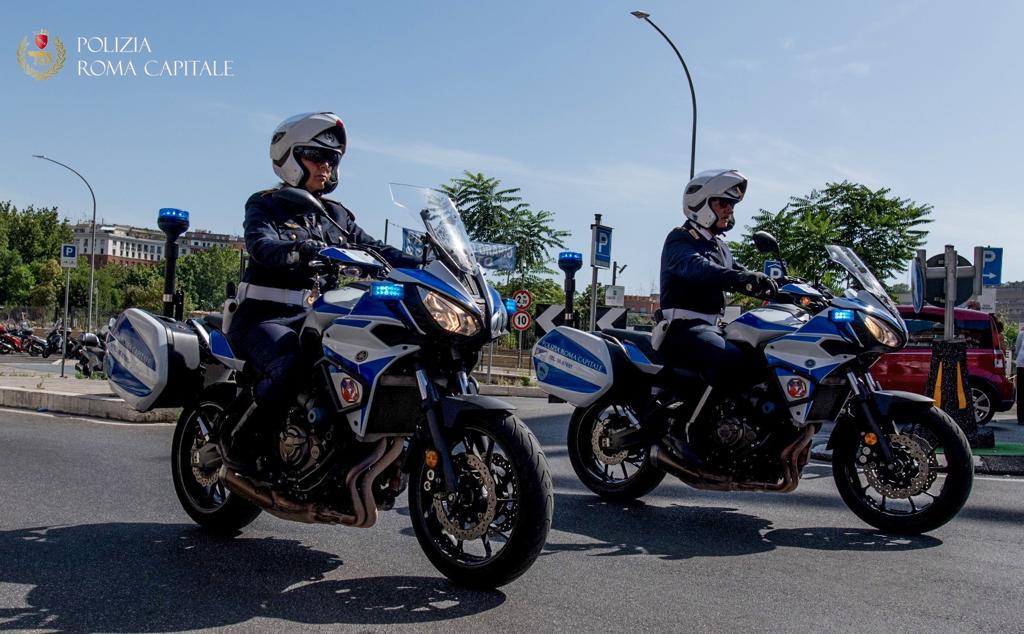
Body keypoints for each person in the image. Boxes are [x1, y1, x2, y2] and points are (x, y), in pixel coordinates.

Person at [222, 112, 419, 473]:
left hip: (319, 320)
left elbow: (375, 249)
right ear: (290, 158)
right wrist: (302, 249)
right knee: (289, 364)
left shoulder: (337, 217)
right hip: (265, 317)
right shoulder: (267, 205)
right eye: (317, 157)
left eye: (333, 159)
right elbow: (261, 244)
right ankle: (241, 446)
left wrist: (426, 261)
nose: (326, 167)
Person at [653, 169, 777, 460]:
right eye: (723, 204)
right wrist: (741, 279)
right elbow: (697, 268)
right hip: (681, 328)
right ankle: (681, 429)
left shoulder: (720, 246)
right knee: (728, 357)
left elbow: (740, 273)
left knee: (759, 355)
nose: (729, 211)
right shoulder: (681, 239)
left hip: (710, 327)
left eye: (731, 206)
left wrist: (781, 287)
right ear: (701, 204)